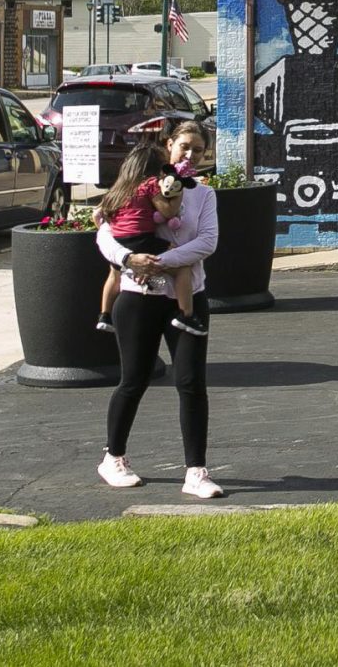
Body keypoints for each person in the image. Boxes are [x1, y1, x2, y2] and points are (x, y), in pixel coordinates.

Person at [95, 132, 223, 498]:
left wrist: (160, 262)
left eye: (199, 150)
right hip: (138, 297)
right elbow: (105, 234)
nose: (191, 155)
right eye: (185, 147)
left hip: (187, 297)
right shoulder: (134, 184)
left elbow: (207, 242)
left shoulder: (202, 193)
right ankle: (113, 458)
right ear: (169, 147)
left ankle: (196, 472)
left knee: (191, 382)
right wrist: (128, 260)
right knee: (133, 380)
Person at [94, 153, 205, 336]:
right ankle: (187, 314)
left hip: (120, 239)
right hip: (141, 237)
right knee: (182, 268)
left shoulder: (118, 189)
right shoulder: (149, 184)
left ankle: (104, 315)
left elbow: (97, 215)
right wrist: (179, 190)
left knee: (114, 275)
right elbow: (168, 212)